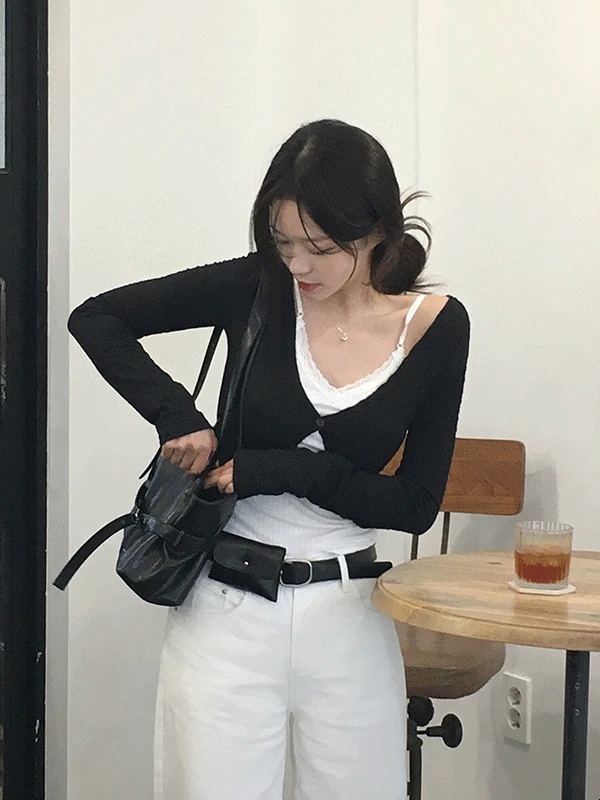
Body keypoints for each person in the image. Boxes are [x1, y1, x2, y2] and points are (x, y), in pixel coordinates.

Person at [68, 118, 470, 800]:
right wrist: (177, 416)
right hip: (225, 612)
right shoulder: (257, 286)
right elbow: (97, 318)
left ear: (377, 230)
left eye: (320, 247)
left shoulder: (436, 327)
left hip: (350, 616)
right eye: (283, 242)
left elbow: (414, 506)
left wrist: (285, 470)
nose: (298, 266)